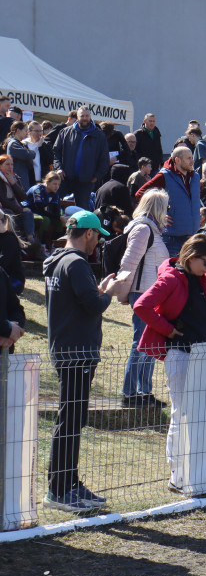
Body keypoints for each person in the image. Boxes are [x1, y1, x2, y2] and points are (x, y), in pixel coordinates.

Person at [131, 233, 206, 492]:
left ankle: (199, 475)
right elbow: (141, 305)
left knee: (204, 415)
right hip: (181, 355)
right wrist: (167, 329)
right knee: (182, 414)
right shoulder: (172, 278)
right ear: (191, 257)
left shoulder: (204, 279)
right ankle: (178, 476)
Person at [43, 210, 117, 512]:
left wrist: (97, 291)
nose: (97, 242)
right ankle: (59, 490)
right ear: (88, 233)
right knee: (70, 421)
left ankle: (70, 483)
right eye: (97, 235)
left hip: (66, 348)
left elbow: (78, 300)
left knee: (72, 420)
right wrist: (108, 292)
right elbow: (93, 304)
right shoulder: (76, 263)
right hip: (77, 353)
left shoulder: (58, 261)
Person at [117, 188, 171, 408]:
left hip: (151, 295)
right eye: (166, 206)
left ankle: (144, 392)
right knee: (140, 343)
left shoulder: (153, 230)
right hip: (142, 294)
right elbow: (128, 264)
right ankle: (130, 393)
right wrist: (124, 293)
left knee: (150, 343)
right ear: (158, 207)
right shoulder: (143, 229)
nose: (168, 210)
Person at [135, 146, 201, 257]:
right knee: (171, 268)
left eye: (192, 157)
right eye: (188, 158)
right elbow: (140, 194)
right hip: (172, 240)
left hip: (192, 238)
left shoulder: (195, 177)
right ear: (177, 160)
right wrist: (158, 213)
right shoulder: (164, 176)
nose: (192, 161)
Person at [52, 107, 106, 210]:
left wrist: (97, 176)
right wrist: (58, 168)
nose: (84, 118)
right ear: (77, 117)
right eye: (82, 116)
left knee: (82, 211)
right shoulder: (65, 132)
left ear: (90, 117)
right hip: (65, 177)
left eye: (87, 116)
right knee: (54, 205)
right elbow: (56, 152)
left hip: (86, 181)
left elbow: (104, 159)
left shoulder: (99, 136)